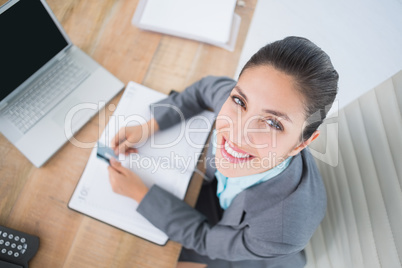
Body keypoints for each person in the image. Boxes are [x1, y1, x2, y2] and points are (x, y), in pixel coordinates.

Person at [107, 36, 339, 268]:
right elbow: (203, 89)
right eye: (239, 101)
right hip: (216, 199)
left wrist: (142, 196)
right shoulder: (244, 97)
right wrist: (151, 126)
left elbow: (206, 240)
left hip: (248, 249)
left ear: (300, 144)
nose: (238, 133)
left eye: (273, 124)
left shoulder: (282, 230)